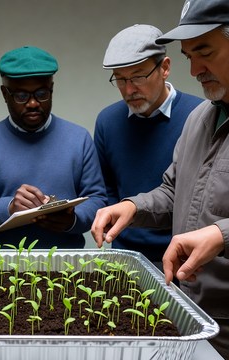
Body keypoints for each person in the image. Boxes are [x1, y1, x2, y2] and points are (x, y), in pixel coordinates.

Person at [91, 0, 229, 360]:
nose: (196, 69)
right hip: (192, 307)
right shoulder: (201, 117)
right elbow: (173, 191)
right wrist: (132, 206)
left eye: (205, 52)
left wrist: (221, 234)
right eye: (188, 56)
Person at [0, 46, 107, 249]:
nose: (32, 103)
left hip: (69, 266)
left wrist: (72, 220)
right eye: (21, 96)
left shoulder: (79, 139)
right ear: (5, 94)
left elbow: (98, 200)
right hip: (4, 266)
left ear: (52, 89)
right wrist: (10, 207)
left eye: (41, 93)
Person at [94, 24, 202, 268]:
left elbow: (198, 199)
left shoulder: (198, 116)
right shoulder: (107, 122)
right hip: (124, 256)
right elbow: (107, 190)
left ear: (165, 68)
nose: (129, 90)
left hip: (182, 258)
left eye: (138, 77)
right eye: (120, 79)